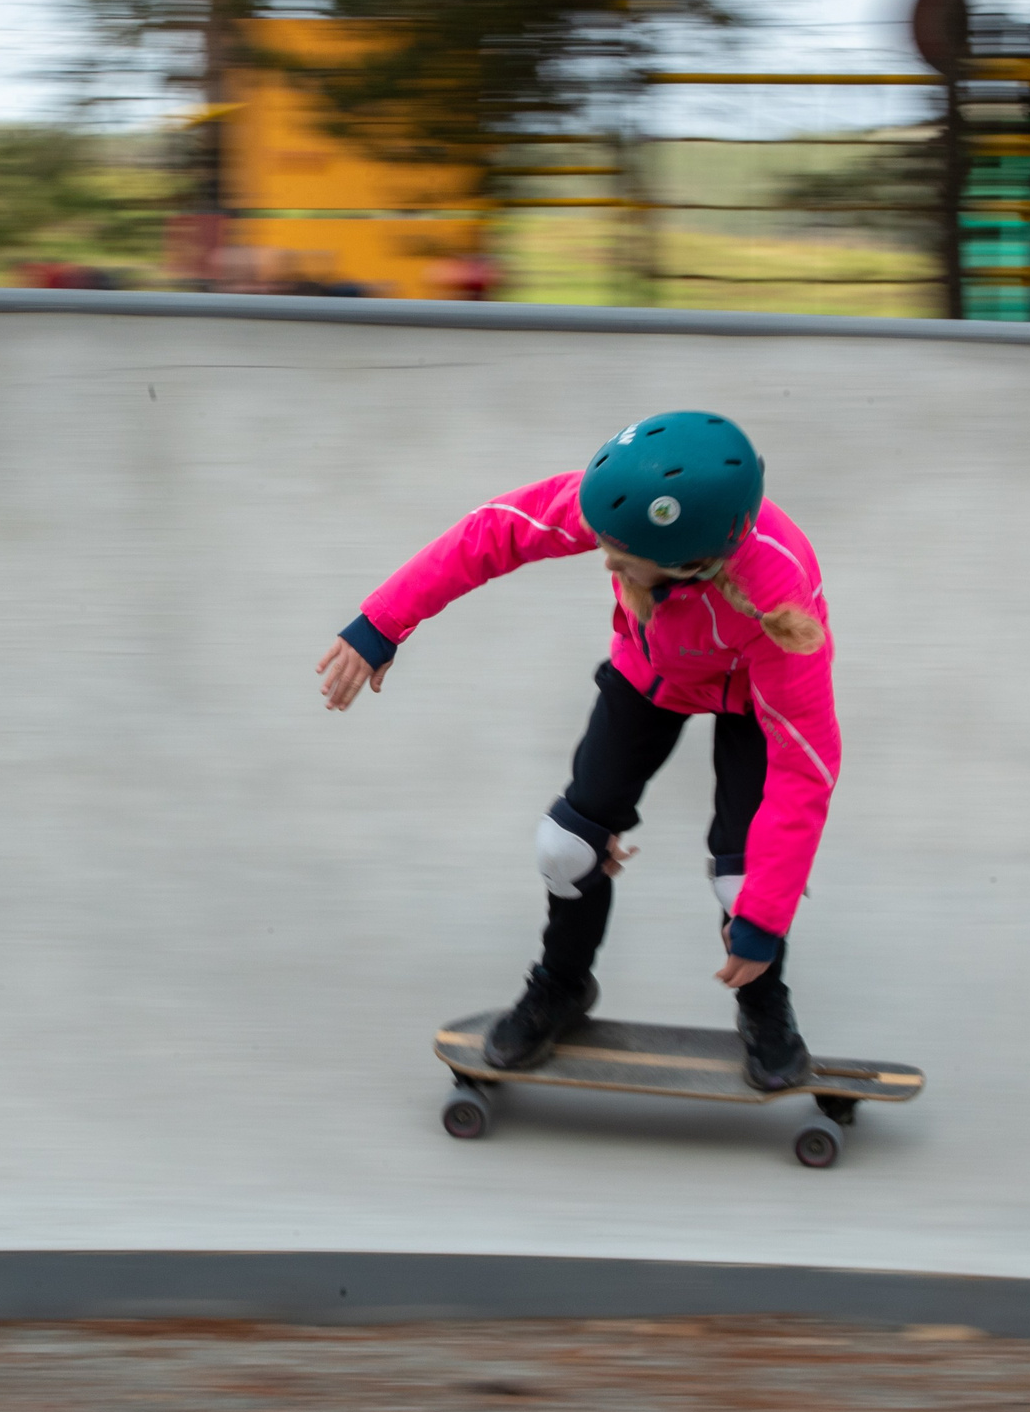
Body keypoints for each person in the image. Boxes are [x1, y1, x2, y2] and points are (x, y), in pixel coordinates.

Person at [313, 411, 840, 1090]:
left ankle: (763, 1000)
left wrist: (764, 919)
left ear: (691, 562)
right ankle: (562, 982)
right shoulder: (626, 504)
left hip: (753, 701)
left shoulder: (779, 598)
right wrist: (383, 622)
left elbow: (806, 768)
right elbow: (495, 530)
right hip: (651, 675)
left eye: (621, 558)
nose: (605, 558)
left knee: (745, 883)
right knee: (567, 845)